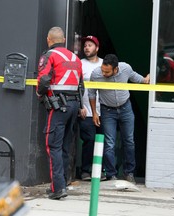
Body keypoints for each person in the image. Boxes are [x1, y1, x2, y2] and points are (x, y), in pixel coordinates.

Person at [36, 27, 84, 200]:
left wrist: (40, 93)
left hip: (58, 107)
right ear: (63, 39)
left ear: (49, 39)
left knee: (53, 146)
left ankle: (58, 188)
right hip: (73, 105)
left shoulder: (49, 56)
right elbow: (81, 86)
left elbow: (44, 79)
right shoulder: (75, 58)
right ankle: (61, 183)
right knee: (64, 146)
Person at [88, 54, 150, 183]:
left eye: (107, 71)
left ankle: (129, 173)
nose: (103, 73)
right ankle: (111, 174)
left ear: (116, 69)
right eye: (103, 70)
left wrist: (146, 79)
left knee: (129, 141)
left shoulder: (125, 68)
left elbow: (136, 78)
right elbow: (92, 93)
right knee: (109, 143)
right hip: (107, 111)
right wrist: (94, 113)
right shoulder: (96, 74)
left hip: (125, 108)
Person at [78, 35, 105, 181]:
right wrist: (79, 107)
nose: (86, 48)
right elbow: (76, 86)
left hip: (104, 110)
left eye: (90, 45)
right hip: (86, 110)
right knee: (89, 141)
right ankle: (86, 171)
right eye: (85, 45)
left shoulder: (104, 64)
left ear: (97, 48)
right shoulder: (79, 64)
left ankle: (102, 171)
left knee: (104, 141)